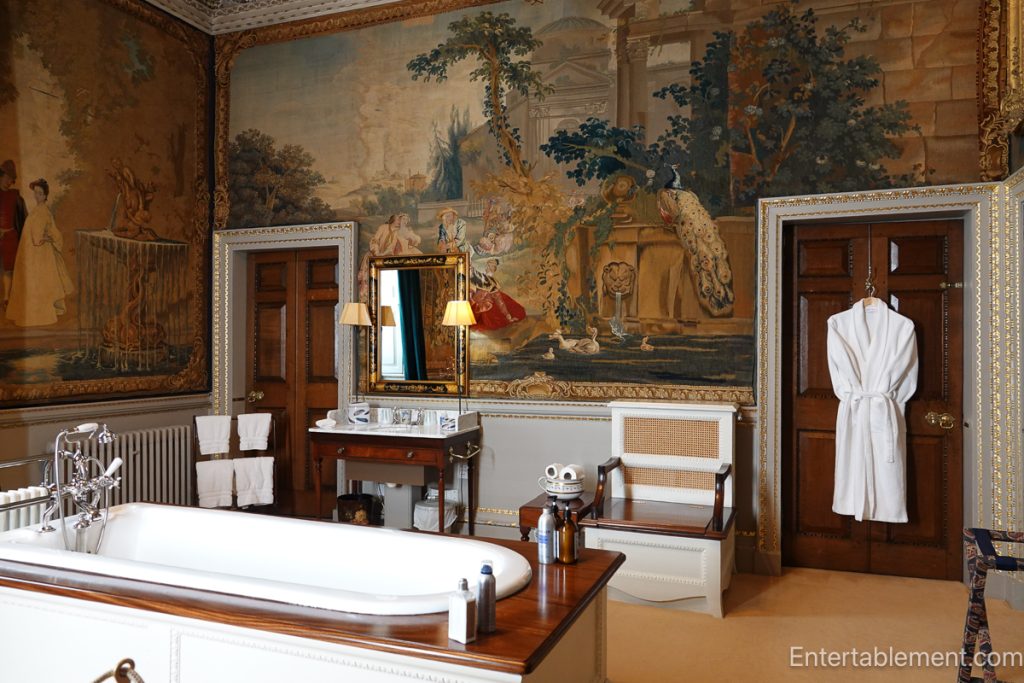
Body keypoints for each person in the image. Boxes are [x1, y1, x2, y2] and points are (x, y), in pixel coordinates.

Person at [6, 179, 74, 327]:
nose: (37, 196)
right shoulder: (37, 210)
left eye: (40, 193)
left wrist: (45, 238)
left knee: (39, 282)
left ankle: (39, 316)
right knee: (31, 282)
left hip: (40, 254)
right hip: (31, 253)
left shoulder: (43, 212)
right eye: (36, 193)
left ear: (45, 196)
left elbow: (41, 237)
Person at [469, 258, 526, 331]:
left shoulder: (493, 282)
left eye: (491, 267)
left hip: (486, 306)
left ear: (494, 269)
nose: (488, 268)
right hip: (475, 303)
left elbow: (499, 301)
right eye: (488, 266)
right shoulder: (480, 277)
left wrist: (507, 315)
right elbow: (473, 274)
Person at [0, 160, 27, 306]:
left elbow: (24, 219)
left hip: (11, 237)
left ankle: (6, 299)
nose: (9, 182)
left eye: (12, 179)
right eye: (7, 178)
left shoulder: (15, 196)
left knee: (8, 270)